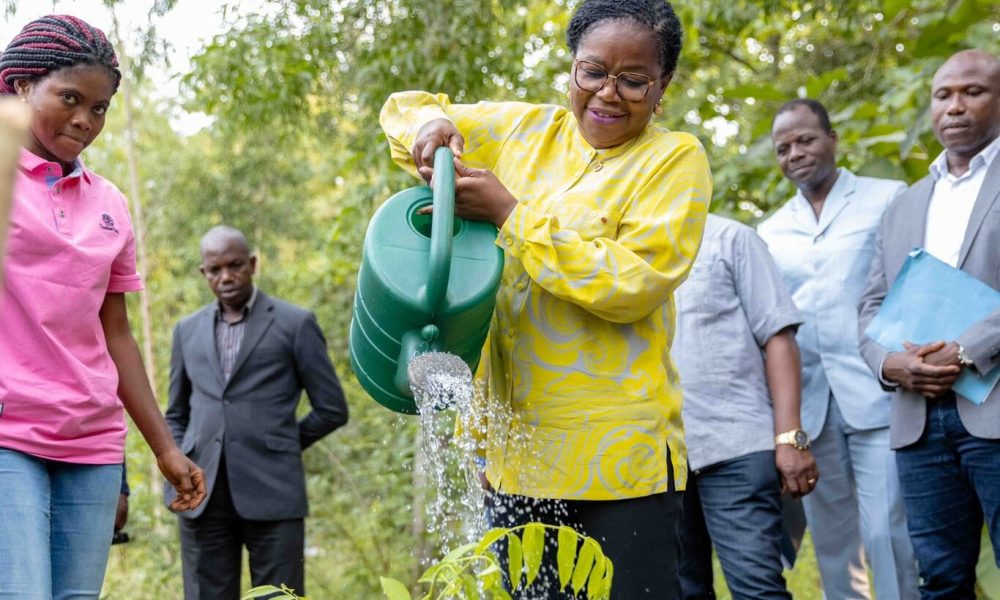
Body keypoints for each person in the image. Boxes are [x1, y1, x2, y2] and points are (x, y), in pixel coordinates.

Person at [381, 1, 711, 596]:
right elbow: (407, 110)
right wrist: (427, 130)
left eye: (633, 80)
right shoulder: (525, 131)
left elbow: (630, 284)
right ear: (572, 70)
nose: (608, 94)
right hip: (513, 460)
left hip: (619, 468)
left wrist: (511, 215)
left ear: (662, 88)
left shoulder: (674, 159)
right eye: (592, 72)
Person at [0, 15, 205, 599]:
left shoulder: (109, 203)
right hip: (8, 433)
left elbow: (115, 334)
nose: (85, 120)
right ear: (20, 86)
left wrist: (164, 448)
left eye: (100, 107)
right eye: (69, 98)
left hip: (90, 442)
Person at [757, 98, 918, 599]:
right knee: (834, 543)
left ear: (832, 139)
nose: (795, 153)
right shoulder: (770, 230)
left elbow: (914, 283)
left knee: (887, 533)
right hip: (810, 406)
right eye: (783, 148)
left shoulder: (889, 198)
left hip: (881, 393)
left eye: (805, 139)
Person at [858, 49, 1000, 599]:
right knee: (939, 578)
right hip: (918, 422)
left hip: (994, 410)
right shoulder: (904, 205)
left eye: (973, 92)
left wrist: (965, 349)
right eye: (943, 95)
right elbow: (869, 308)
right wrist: (893, 365)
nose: (955, 107)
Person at [166, 225, 349, 599]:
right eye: (215, 270)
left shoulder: (294, 324)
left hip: (274, 491)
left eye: (235, 265)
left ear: (252, 264)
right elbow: (175, 413)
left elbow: (332, 409)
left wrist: (280, 443)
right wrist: (177, 467)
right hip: (202, 495)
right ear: (204, 274)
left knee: (278, 596)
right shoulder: (186, 331)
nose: (226, 277)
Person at [673, 214, 817, 600]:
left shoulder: (731, 238)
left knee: (757, 589)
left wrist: (791, 438)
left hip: (734, 447)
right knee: (681, 590)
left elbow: (778, 335)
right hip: (658, 457)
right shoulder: (624, 246)